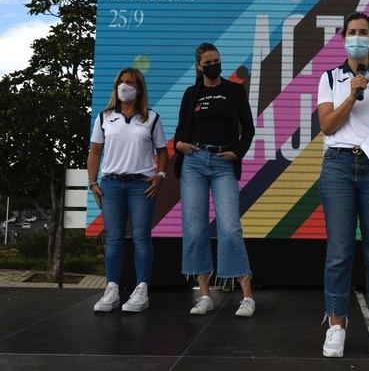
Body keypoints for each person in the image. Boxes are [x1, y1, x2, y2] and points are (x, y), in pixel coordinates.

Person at [317, 12, 369, 357]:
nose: (357, 37)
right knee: (339, 252)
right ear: (343, 39)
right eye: (351, 32)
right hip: (338, 165)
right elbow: (327, 126)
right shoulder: (330, 78)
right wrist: (352, 96)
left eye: (363, 32)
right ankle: (337, 323)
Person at [174, 42, 256, 316]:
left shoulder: (233, 90)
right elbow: (180, 130)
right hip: (194, 163)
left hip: (223, 163)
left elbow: (249, 128)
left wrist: (237, 152)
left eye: (217, 61)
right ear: (199, 66)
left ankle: (246, 295)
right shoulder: (191, 94)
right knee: (195, 228)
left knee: (230, 227)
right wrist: (180, 146)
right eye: (208, 62)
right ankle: (205, 294)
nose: (213, 65)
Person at [87, 67, 168, 313]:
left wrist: (160, 176)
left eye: (130, 82)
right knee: (113, 239)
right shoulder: (104, 117)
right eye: (121, 82)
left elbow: (162, 151)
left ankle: (141, 289)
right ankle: (112, 289)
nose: (124, 86)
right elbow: (94, 151)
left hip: (141, 185)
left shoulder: (151, 118)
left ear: (139, 87)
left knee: (141, 237)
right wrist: (93, 182)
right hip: (111, 184)